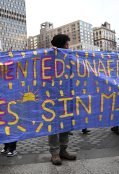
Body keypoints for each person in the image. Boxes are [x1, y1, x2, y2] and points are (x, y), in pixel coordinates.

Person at [49, 34, 76, 165]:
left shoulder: (70, 57)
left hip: (67, 96)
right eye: (66, 44)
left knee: (65, 124)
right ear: (61, 45)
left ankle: (63, 150)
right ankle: (54, 153)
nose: (68, 46)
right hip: (53, 98)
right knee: (54, 126)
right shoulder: (49, 57)